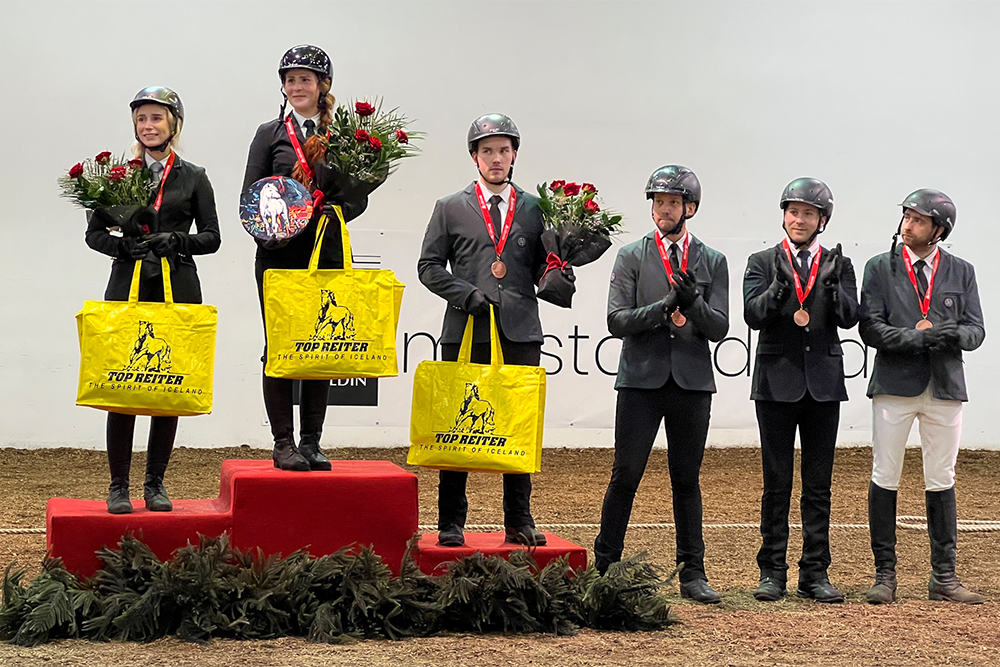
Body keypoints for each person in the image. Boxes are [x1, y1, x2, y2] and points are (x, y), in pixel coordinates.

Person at [594, 165, 729, 603]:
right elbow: (617, 320)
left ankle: (693, 572)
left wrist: (693, 304)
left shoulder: (712, 260)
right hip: (641, 380)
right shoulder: (631, 255)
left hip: (690, 382)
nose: (663, 209)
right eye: (658, 201)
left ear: (690, 207)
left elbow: (720, 328)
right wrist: (664, 305)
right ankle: (605, 565)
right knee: (626, 473)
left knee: (686, 478)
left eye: (672, 202)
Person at [85, 86, 221, 514]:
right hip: (127, 282)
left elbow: (213, 238)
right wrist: (122, 248)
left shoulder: (195, 176)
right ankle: (118, 486)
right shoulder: (116, 175)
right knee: (122, 385)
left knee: (169, 385)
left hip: (178, 285)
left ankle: (156, 483)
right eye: (142, 119)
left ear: (173, 125)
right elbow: (94, 235)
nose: (148, 126)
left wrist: (177, 240)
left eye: (156, 118)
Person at [417, 113, 548, 548]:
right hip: (466, 326)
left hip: (520, 331)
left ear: (514, 156)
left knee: (517, 425)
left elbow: (547, 267)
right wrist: (465, 294)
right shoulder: (450, 206)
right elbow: (428, 267)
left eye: (504, 151)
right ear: (474, 157)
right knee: (459, 425)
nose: (496, 158)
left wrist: (565, 270)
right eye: (487, 151)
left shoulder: (535, 208)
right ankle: (451, 521)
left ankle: (519, 519)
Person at [242, 44, 368, 471]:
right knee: (279, 347)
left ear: (322, 86)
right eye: (290, 80)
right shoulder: (268, 134)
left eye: (306, 79)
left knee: (322, 347)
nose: (297, 86)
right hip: (278, 255)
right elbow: (250, 198)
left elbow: (358, 197)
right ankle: (283, 442)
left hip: (325, 252)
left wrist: (337, 210)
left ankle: (312, 442)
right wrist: (275, 232)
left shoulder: (343, 136)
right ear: (283, 86)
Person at [859, 189, 985, 605]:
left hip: (944, 386)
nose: (907, 225)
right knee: (885, 473)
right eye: (906, 217)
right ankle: (885, 575)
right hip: (894, 384)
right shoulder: (881, 267)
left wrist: (953, 335)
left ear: (938, 230)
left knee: (942, 477)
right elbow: (871, 329)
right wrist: (915, 338)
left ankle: (944, 576)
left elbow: (976, 330)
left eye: (917, 220)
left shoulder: (961, 271)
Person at [743, 178, 858, 603]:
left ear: (821, 220)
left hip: (824, 386)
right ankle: (772, 570)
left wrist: (830, 287)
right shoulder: (761, 260)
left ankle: (815, 572)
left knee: (818, 484)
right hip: (776, 382)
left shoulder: (838, 264)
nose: (799, 219)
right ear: (784, 215)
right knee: (776, 482)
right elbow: (753, 316)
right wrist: (777, 289)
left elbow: (849, 318)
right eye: (793, 212)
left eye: (808, 213)